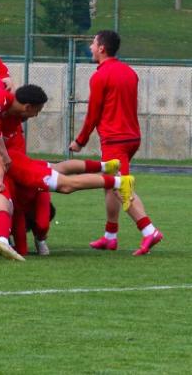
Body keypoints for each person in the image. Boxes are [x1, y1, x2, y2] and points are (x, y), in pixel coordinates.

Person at [69, 30, 163, 256]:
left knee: (120, 185)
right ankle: (110, 236)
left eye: (93, 43)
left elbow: (93, 114)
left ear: (101, 48)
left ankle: (148, 230)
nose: (91, 47)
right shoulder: (129, 72)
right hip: (132, 137)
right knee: (110, 184)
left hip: (115, 140)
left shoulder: (100, 76)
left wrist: (80, 141)